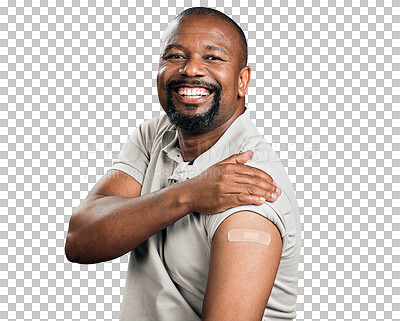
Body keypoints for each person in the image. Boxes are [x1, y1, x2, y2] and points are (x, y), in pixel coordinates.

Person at [65, 7, 301, 321]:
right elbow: (80, 241)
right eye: (175, 55)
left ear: (242, 80)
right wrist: (188, 195)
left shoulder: (249, 192)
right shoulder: (156, 134)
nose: (190, 70)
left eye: (213, 57)